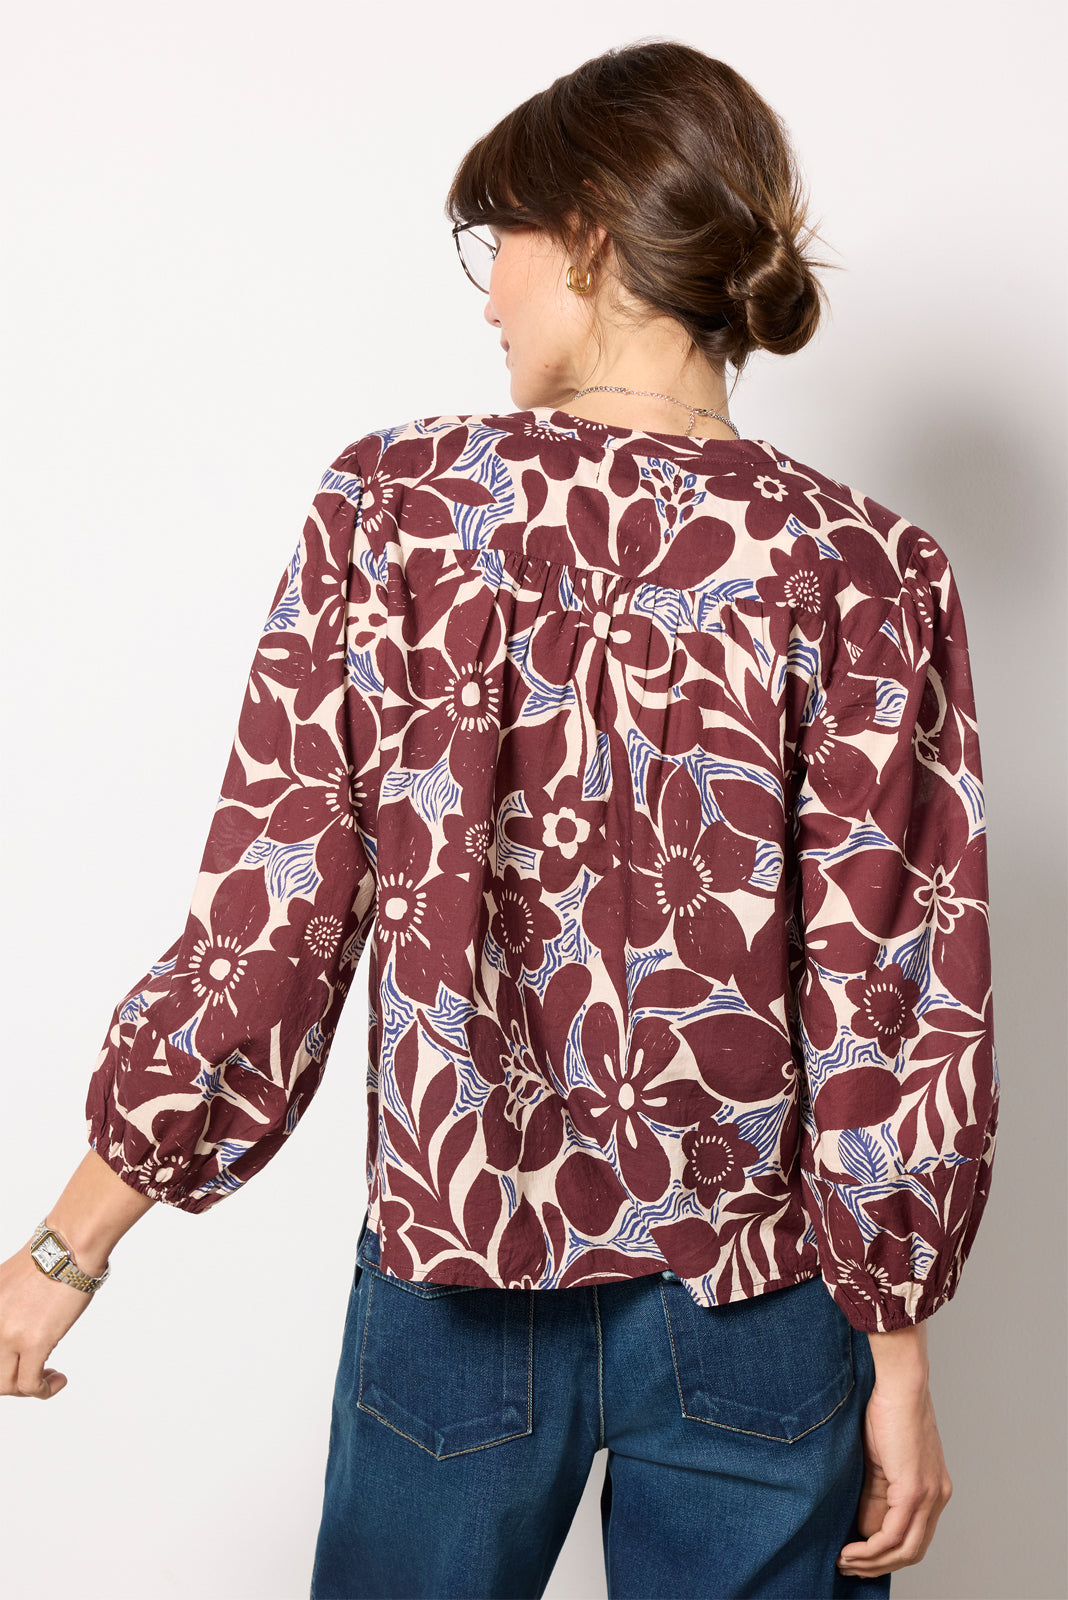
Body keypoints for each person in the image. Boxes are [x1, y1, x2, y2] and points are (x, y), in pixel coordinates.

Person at [0, 37, 998, 1600]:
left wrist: (70, 1246)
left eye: (501, 244)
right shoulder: (865, 566)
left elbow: (276, 921)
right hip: (764, 1297)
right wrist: (899, 1350)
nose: (488, 301)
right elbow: (894, 999)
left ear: (587, 236)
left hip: (459, 1273)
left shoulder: (397, 511)